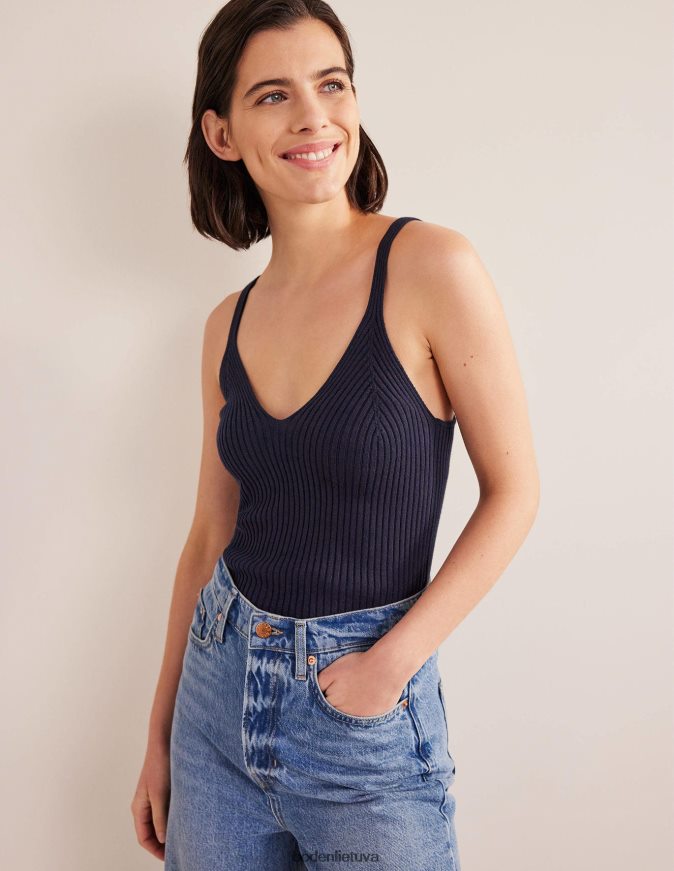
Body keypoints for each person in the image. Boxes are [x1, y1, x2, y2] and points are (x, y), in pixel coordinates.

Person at [131, 1, 540, 868]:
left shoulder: (431, 266)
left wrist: (391, 665)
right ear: (222, 133)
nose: (314, 116)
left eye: (332, 84)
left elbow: (515, 493)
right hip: (215, 702)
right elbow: (208, 535)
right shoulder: (225, 323)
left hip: (364, 722)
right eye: (273, 95)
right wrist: (159, 733)